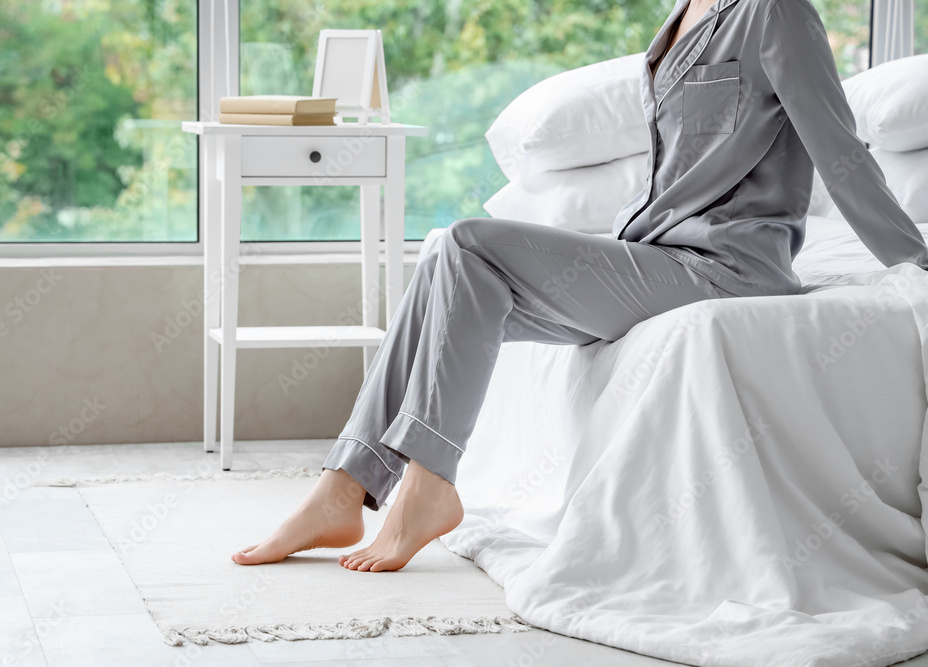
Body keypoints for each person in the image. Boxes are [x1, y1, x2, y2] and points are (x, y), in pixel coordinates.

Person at [232, 0, 928, 572]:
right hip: (654, 256)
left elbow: (842, 155)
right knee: (448, 249)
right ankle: (344, 484)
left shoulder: (777, 13)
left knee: (472, 242)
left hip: (727, 270)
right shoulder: (682, 16)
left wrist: (917, 261)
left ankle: (430, 478)